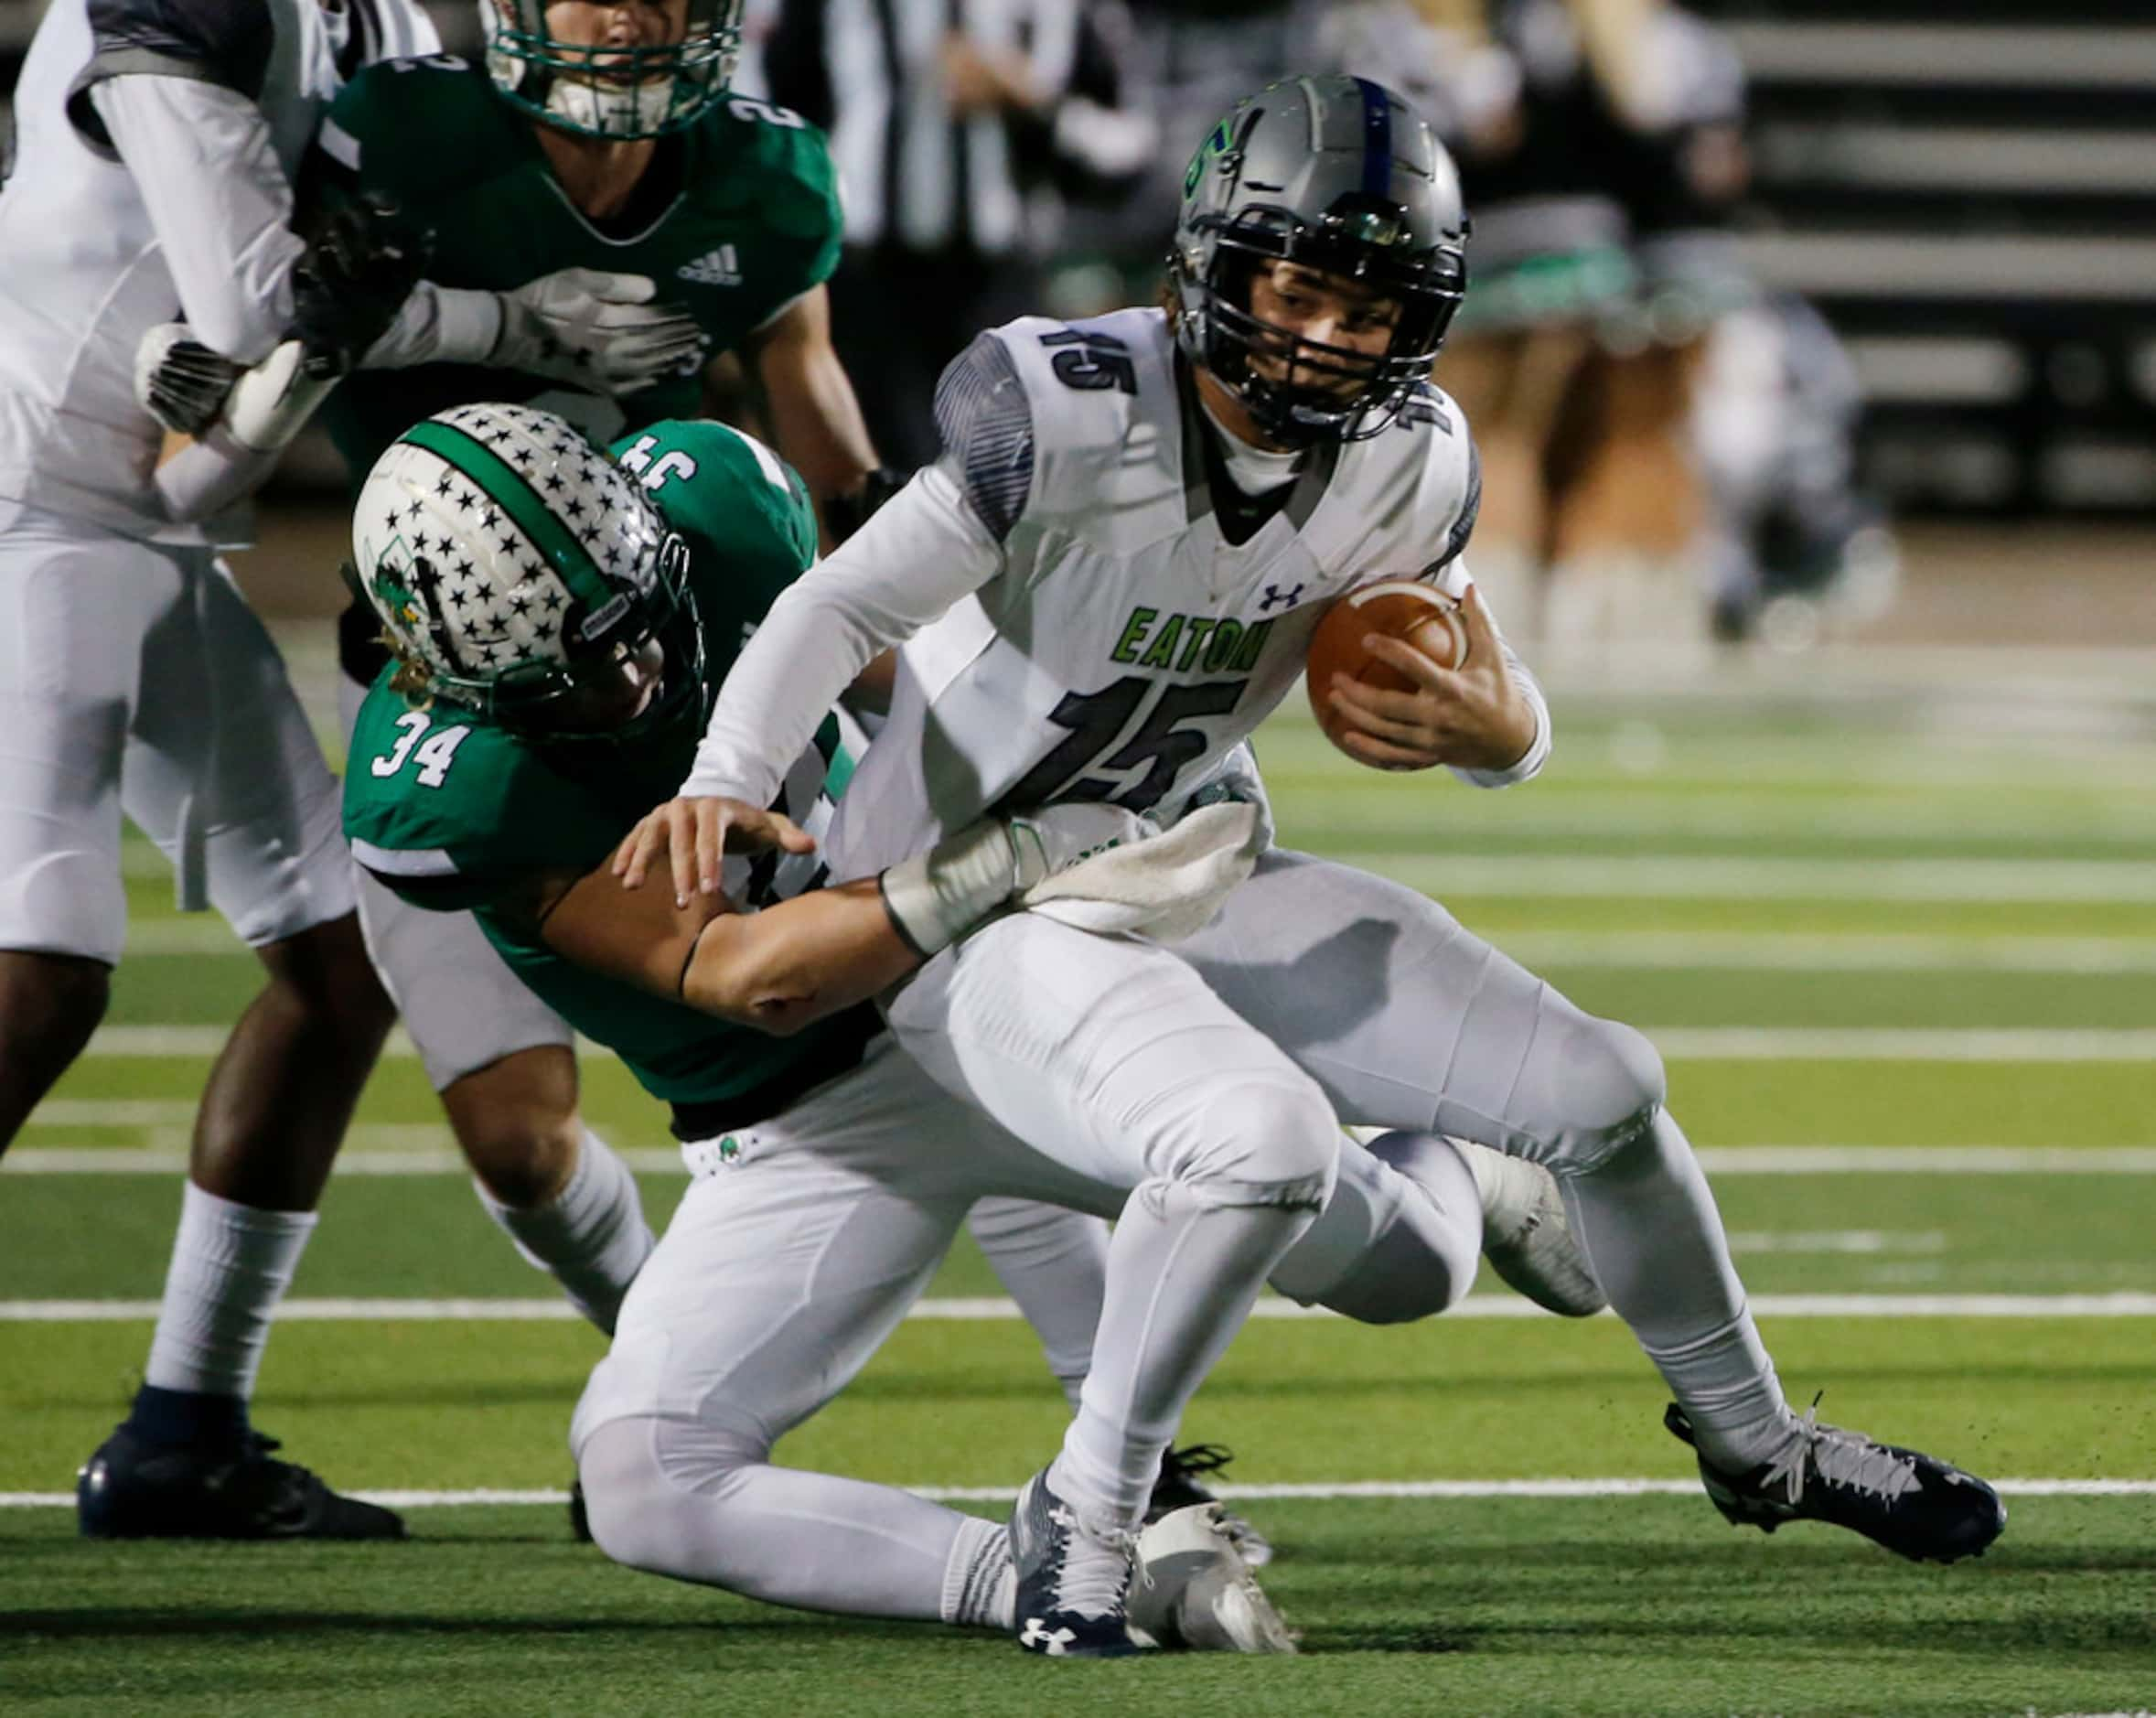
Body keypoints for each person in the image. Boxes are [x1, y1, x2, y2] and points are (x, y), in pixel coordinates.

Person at [617, 73, 2009, 1648]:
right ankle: (1087, 1517)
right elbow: (840, 605)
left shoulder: (1408, 458)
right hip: (979, 913)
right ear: (1212, 263)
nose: (1332, 336)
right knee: (1261, 1141)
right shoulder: (1068, 406)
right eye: (1300, 286)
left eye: (1375, 304)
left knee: (1605, 1092)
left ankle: (1759, 1442)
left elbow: (1475, 668)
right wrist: (731, 775)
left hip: (1187, 866)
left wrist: (1515, 735)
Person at [344, 398, 1604, 1655]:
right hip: (801, 1115)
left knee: (1409, 1267)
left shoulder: (713, 506)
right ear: (428, 674)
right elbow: (747, 975)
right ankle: (1051, 1570)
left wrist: (1100, 776)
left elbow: (929, 677)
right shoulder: (453, 785)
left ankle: (1456, 1169)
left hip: (983, 989)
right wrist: (1019, 849)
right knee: (641, 1477)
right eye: (576, 671)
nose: (635, 677)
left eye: (636, 616)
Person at [0, 0, 445, 1541]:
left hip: (127, 517)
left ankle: (184, 1427)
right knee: (40, 971)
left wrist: (300, 350)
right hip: (23, 502)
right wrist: (309, 338)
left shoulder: (356, 13)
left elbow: (233, 419)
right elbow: (264, 321)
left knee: (337, 956)